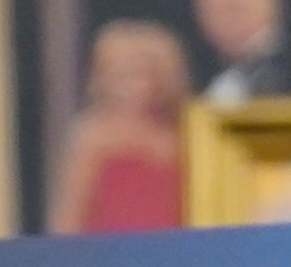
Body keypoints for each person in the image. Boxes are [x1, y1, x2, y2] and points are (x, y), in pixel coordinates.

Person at [53, 19, 192, 236]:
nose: (129, 86)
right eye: (118, 74)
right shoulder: (91, 133)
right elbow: (70, 214)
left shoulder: (184, 133)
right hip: (108, 256)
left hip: (175, 253)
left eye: (140, 74)